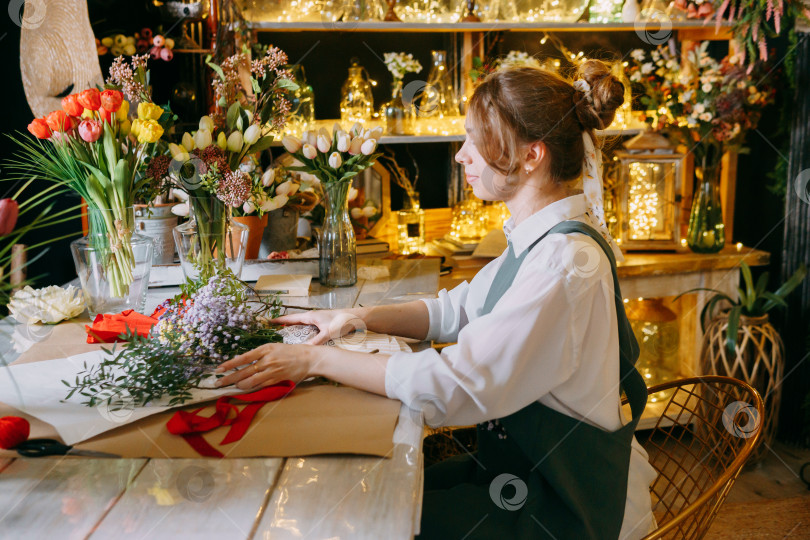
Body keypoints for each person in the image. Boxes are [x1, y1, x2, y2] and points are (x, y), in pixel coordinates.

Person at [216, 59, 657, 539]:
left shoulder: (563, 262)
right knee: (367, 495)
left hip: (556, 508)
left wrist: (311, 361)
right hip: (517, 477)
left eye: (477, 140)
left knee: (358, 518)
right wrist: (353, 317)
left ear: (532, 155)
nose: (461, 155)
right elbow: (456, 310)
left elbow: (455, 388)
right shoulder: (540, 239)